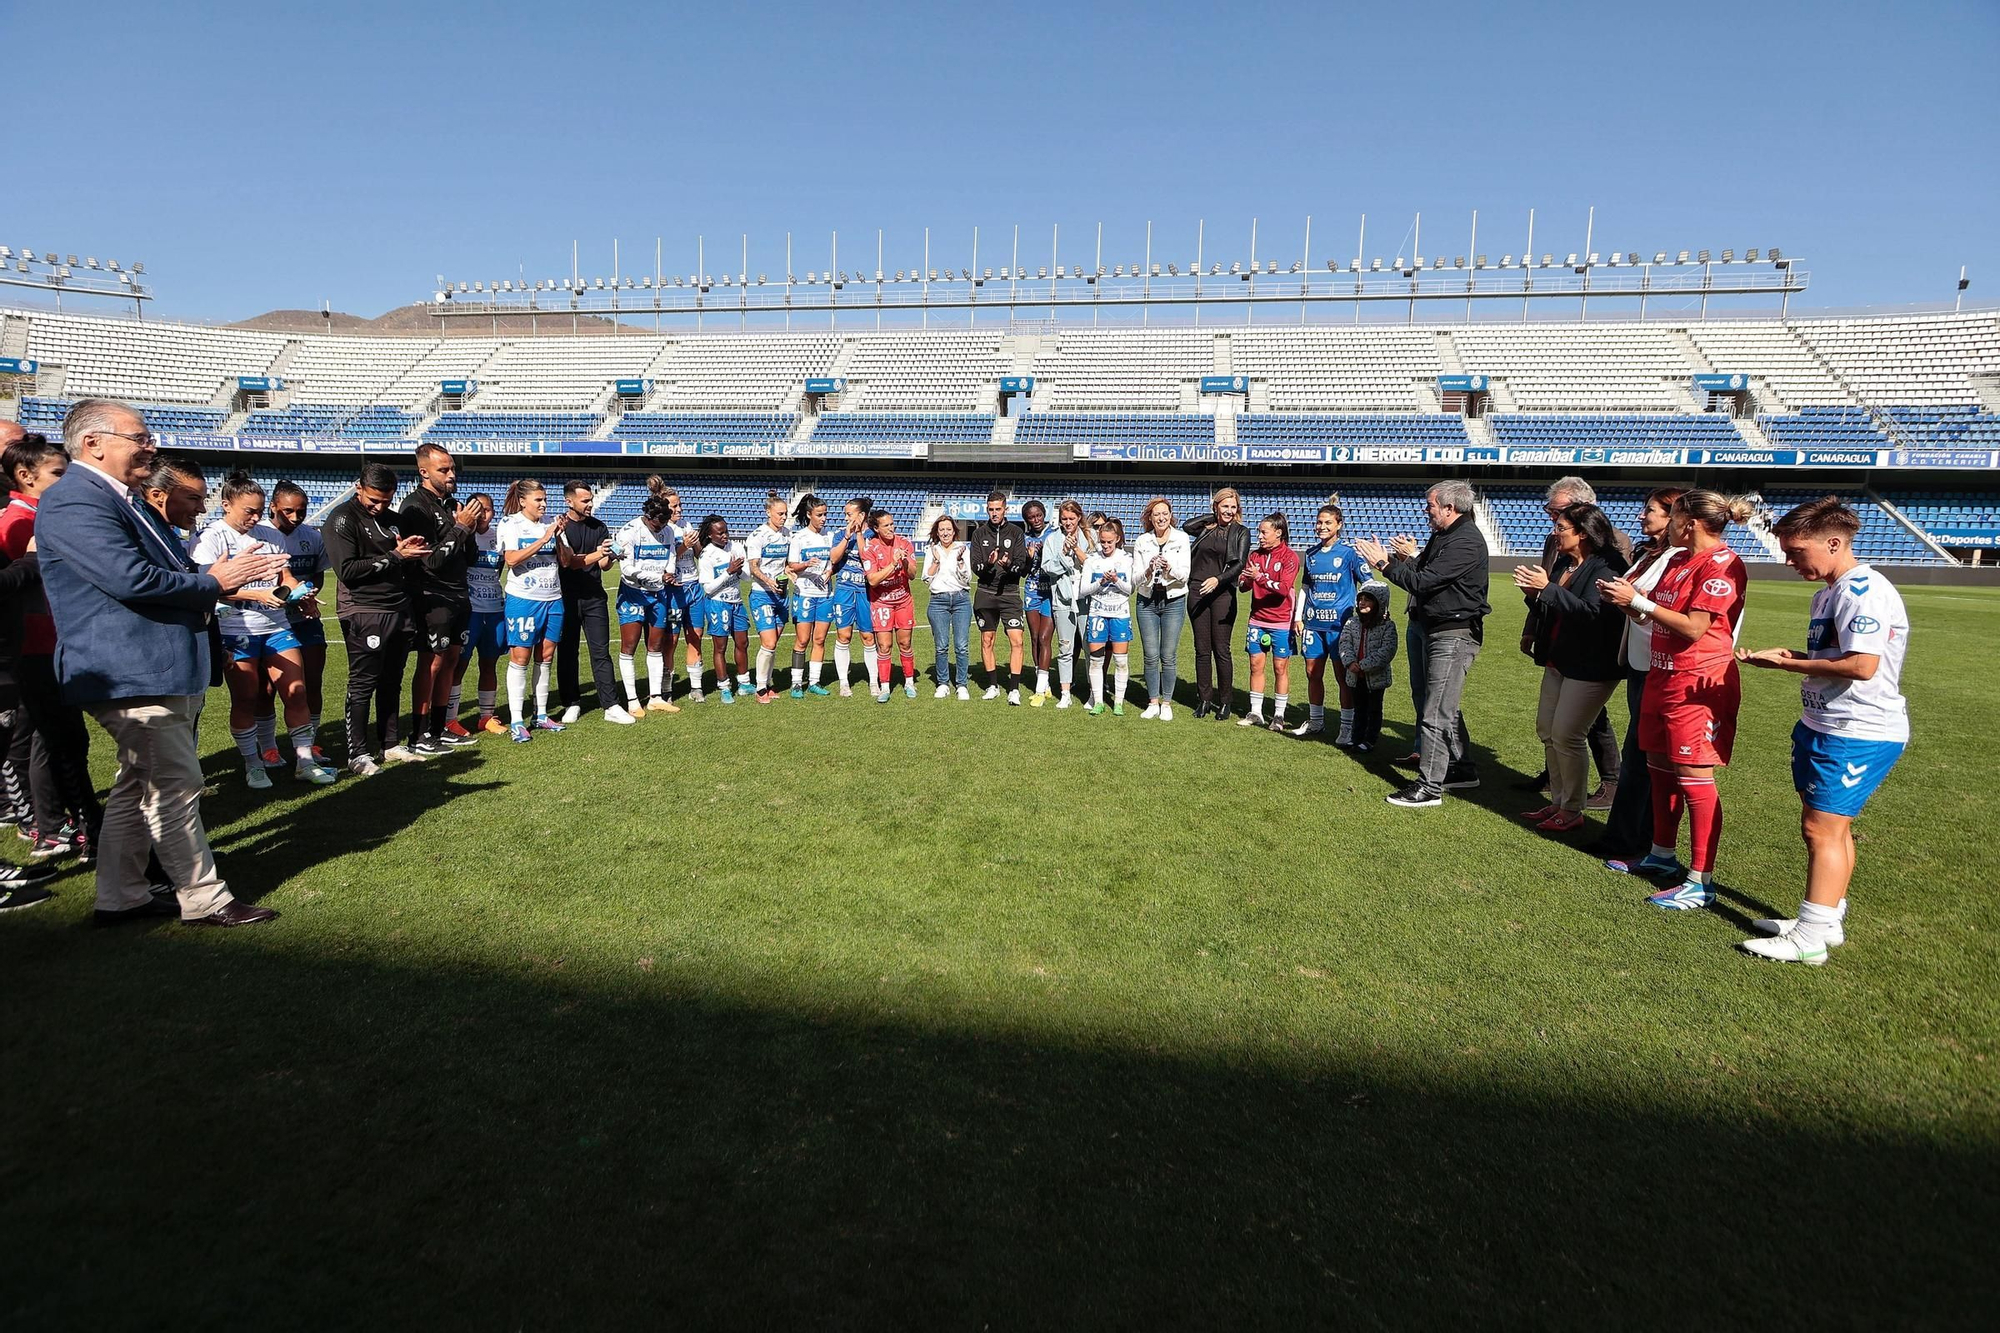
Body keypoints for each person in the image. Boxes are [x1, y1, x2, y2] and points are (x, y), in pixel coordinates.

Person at [36, 400, 286, 927]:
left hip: (149, 666)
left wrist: (215, 577)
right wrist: (216, 582)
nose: (152, 446)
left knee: (138, 783)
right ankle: (204, 897)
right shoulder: (74, 501)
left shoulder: (117, 499)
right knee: (174, 783)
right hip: (128, 668)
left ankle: (121, 895)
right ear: (93, 443)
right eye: (139, 437)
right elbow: (131, 580)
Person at [1737, 498, 1911, 965]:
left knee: (1821, 830)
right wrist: (1792, 655)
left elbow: (1861, 665)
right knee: (1833, 828)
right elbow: (1839, 655)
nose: (1790, 561)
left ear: (1834, 543)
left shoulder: (1863, 591)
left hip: (1858, 728)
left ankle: (1810, 937)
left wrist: (1788, 665)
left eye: (1797, 552)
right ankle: (1826, 919)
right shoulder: (1829, 592)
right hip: (1827, 722)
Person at [1597, 490, 1753, 909]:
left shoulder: (1723, 564)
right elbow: (1655, 614)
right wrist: (1629, 606)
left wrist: (1639, 602)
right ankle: (1661, 856)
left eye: (1676, 518)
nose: (1669, 525)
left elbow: (1695, 628)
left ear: (1690, 522)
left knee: (1694, 778)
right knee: (1660, 770)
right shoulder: (1680, 560)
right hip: (1661, 675)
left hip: (1697, 683)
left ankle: (1701, 880)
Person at [189, 472, 339, 790]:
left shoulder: (270, 536)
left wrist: (301, 594)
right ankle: (254, 765)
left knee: (296, 693)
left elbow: (285, 577)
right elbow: (207, 589)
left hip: (276, 626)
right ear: (226, 504)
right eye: (249, 511)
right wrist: (255, 595)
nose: (256, 518)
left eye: (259, 511)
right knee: (245, 699)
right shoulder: (211, 538)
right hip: (235, 630)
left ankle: (305, 763)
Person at [0, 433, 110, 857]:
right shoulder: (20, 520)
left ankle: (63, 822)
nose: (65, 482)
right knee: (53, 740)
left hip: (50, 640)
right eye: (58, 474)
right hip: (35, 645)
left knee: (59, 739)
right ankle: (55, 824)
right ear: (26, 476)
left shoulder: (36, 512)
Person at [1356, 480, 1490, 808]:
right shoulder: (1445, 535)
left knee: (1435, 711)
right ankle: (1461, 768)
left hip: (1453, 633)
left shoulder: (1465, 541)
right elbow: (1422, 569)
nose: (1425, 510)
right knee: (1443, 706)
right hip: (1438, 629)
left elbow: (1422, 581)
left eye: (1430, 505)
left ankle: (1429, 787)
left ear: (1449, 508)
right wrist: (1397, 558)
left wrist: (1385, 564)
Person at [1511, 502, 1630, 833]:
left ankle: (1573, 808)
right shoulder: (1565, 562)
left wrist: (1547, 589)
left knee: (1567, 734)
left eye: (1561, 528)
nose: (1555, 533)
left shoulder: (1607, 565)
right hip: (1558, 659)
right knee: (1547, 731)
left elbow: (1595, 614)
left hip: (1591, 664)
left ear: (1583, 532)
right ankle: (1558, 803)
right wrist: (1533, 595)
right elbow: (1555, 608)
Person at [1589, 487, 1685, 862]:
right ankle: (1627, 836)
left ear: (1673, 516)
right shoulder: (1649, 553)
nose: (1642, 516)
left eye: (1650, 510)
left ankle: (1636, 840)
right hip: (1640, 658)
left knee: (1646, 757)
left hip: (1659, 662)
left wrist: (1631, 600)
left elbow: (1659, 607)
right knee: (1640, 755)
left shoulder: (1679, 558)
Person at [324, 460, 433, 773]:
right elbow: (347, 571)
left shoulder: (394, 520)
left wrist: (412, 552)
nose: (379, 506)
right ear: (359, 488)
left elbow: (405, 563)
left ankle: (389, 745)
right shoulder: (342, 519)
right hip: (364, 610)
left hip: (399, 609)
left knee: (392, 681)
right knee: (363, 683)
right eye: (374, 500)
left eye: (386, 500)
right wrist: (396, 556)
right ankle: (357, 754)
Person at [399, 443, 485, 753]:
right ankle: (419, 735)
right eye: (443, 470)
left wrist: (470, 529)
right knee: (432, 663)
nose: (451, 475)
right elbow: (431, 560)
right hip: (432, 595)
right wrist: (461, 528)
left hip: (459, 593)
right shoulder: (415, 507)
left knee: (451, 660)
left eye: (452, 469)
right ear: (424, 471)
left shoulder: (452, 505)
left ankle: (439, 728)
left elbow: (469, 554)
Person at [496, 478, 574, 741]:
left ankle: (540, 715)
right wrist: (544, 538)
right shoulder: (511, 523)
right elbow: (511, 559)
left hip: (552, 598)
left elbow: (565, 561)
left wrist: (559, 537)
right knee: (520, 657)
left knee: (546, 656)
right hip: (523, 599)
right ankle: (517, 719)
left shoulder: (550, 524)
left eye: (544, 499)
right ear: (522, 501)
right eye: (538, 499)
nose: (543, 504)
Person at [266, 480, 334, 752]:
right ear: (273, 507)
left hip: (305, 618)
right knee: (267, 688)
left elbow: (317, 572)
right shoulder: (261, 536)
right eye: (288, 511)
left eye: (301, 511)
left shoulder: (312, 537)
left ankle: (312, 741)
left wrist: (309, 596)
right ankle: (268, 745)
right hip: (269, 619)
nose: (295, 517)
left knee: (312, 680)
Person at [555, 481, 629, 724]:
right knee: (567, 652)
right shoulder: (561, 527)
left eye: (591, 499)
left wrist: (610, 555)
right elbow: (571, 562)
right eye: (585, 500)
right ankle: (571, 703)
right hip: (566, 597)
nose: (590, 504)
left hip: (594, 597)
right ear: (569, 501)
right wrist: (599, 553)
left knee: (601, 652)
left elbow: (603, 566)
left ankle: (611, 705)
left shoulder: (599, 526)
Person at [1293, 503, 1363, 741]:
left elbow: (1369, 584)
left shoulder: (1348, 553)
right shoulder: (1311, 554)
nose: (1322, 527)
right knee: (1312, 673)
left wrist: (1365, 615)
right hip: (1313, 625)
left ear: (1338, 525)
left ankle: (1346, 727)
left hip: (1339, 627)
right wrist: (1297, 617)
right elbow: (1304, 588)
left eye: (1327, 523)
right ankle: (1316, 722)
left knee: (1342, 677)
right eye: (1319, 522)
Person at [610, 495, 683, 716]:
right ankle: (632, 700)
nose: (660, 528)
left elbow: (671, 556)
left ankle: (655, 698)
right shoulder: (629, 531)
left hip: (658, 594)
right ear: (647, 516)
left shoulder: (668, 530)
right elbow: (626, 569)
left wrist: (668, 574)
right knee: (629, 646)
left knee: (656, 645)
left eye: (663, 523)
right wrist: (657, 578)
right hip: (633, 593)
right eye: (656, 523)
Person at [1185, 487, 1251, 720]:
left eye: (1233, 507)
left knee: (1221, 649)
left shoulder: (1241, 532)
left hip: (1222, 593)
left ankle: (1225, 702)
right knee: (1201, 650)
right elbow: (1187, 526)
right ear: (1216, 506)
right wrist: (1213, 517)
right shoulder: (1206, 527)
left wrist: (1218, 580)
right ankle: (1204, 700)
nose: (1229, 511)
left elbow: (1240, 564)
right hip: (1197, 590)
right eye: (1225, 506)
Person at [448, 493, 510, 735]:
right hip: (469, 611)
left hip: (494, 610)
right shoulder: (463, 536)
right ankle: (450, 718)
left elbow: (499, 570)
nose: (484, 514)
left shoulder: (499, 538)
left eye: (488, 509)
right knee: (458, 665)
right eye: (478, 509)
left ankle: (486, 717)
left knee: (489, 664)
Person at [1237, 513, 1300, 732]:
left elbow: (1283, 589)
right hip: (1257, 619)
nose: (1260, 536)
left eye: (1264, 532)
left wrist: (1259, 578)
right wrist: (1243, 580)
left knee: (1280, 667)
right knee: (1255, 665)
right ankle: (1256, 712)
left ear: (1278, 532)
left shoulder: (1290, 557)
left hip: (1281, 621)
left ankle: (1279, 715)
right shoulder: (1255, 556)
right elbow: (1245, 586)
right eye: (1259, 532)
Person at [1131, 497, 1190, 722]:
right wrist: (1148, 570)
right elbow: (1135, 578)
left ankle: (1167, 702)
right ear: (1150, 517)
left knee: (1168, 655)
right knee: (1150, 655)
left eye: (1165, 513)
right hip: (1147, 601)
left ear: (1170, 515)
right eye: (1157, 514)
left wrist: (1169, 567)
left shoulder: (1181, 539)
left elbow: (1185, 575)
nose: (1161, 517)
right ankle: (1152, 702)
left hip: (1173, 601)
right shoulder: (1142, 541)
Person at [969, 490, 1029, 703]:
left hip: (1010, 593)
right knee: (987, 640)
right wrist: (989, 563)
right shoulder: (978, 534)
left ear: (1006, 509)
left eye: (998, 509)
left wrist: (1007, 565)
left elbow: (1021, 565)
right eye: (991, 509)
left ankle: (1014, 689)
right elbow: (975, 566)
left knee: (1017, 640)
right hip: (985, 593)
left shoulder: (1016, 532)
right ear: (987, 509)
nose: (994, 513)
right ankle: (993, 685)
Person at [1079, 516, 1135, 716]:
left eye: (1109, 542)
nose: (1105, 546)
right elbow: (1084, 590)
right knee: (1096, 661)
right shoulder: (1092, 560)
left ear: (1117, 539)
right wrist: (1101, 582)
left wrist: (1116, 580)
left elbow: (1129, 590)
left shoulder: (1126, 559)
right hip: (1097, 614)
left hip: (1120, 614)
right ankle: (1098, 701)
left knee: (1121, 661)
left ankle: (1118, 702)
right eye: (1102, 542)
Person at [863, 509, 919, 702]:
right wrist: (892, 565)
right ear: (876, 528)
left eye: (892, 524)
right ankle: (885, 687)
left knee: (905, 643)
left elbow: (912, 574)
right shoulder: (870, 548)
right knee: (884, 646)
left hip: (903, 601)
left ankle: (909, 683)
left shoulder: (904, 543)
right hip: (881, 603)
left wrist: (903, 561)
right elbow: (872, 580)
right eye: (886, 525)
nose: (891, 528)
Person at [654, 484, 703, 703]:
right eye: (675, 506)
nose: (680, 509)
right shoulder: (662, 529)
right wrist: (684, 545)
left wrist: (698, 544)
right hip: (674, 593)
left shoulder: (687, 525)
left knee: (696, 636)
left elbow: (699, 554)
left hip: (693, 588)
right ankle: (667, 689)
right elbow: (666, 558)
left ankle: (696, 686)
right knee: (671, 640)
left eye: (680, 504)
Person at [1039, 500, 1090, 709]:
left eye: (1071, 518)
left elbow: (1094, 564)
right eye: (1064, 519)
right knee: (1065, 647)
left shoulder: (1090, 537)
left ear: (1079, 517)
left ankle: (1093, 693)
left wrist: (1076, 549)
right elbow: (1047, 567)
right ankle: (1065, 693)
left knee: (1090, 647)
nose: (1068, 523)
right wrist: (1063, 554)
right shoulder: (1052, 539)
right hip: (1062, 600)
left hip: (1087, 599)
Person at [744, 491, 793, 704]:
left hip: (782, 595)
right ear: (768, 513)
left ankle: (770, 682)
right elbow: (753, 567)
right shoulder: (758, 536)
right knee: (769, 641)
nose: (783, 517)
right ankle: (760, 687)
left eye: (786, 514)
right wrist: (768, 581)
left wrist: (790, 572)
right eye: (780, 514)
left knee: (773, 644)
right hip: (762, 594)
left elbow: (786, 563)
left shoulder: (787, 534)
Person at [784, 493, 835, 698]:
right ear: (809, 515)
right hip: (805, 593)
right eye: (819, 515)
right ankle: (796, 683)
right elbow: (791, 566)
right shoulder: (799, 538)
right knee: (803, 640)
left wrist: (829, 571)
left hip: (825, 595)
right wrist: (806, 564)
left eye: (825, 514)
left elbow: (833, 563)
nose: (823, 519)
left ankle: (814, 681)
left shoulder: (829, 537)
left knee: (820, 639)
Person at [695, 515, 750, 701]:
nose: (725, 536)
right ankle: (724, 685)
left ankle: (744, 682)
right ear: (710, 535)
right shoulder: (706, 555)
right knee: (720, 646)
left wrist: (740, 570)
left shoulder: (736, 547)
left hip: (736, 602)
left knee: (742, 642)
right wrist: (728, 572)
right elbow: (708, 588)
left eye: (726, 531)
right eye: (720, 533)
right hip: (717, 603)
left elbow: (747, 577)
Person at [1338, 581, 1397, 752]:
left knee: (1374, 709)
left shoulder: (1387, 626)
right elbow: (1344, 643)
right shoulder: (1352, 623)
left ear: (1380, 603)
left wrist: (1363, 665)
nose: (1362, 602)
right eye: (1360, 599)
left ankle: (1370, 739)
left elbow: (1387, 651)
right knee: (1359, 709)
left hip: (1375, 677)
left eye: (1368, 600)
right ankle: (1356, 738)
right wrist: (1350, 662)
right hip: (1355, 675)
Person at [827, 496, 876, 698]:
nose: (846, 517)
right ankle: (844, 682)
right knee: (843, 636)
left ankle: (874, 681)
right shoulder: (840, 535)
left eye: (849, 514)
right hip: (845, 590)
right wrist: (847, 537)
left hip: (866, 591)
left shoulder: (874, 536)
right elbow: (833, 558)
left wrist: (860, 535)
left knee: (868, 636)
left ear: (862, 515)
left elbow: (867, 557)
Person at [922, 514, 974, 699]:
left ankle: (961, 685)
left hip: (961, 600)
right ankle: (942, 683)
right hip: (938, 601)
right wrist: (936, 561)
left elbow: (968, 579)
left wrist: (960, 562)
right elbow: (926, 579)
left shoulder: (962, 549)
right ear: (937, 531)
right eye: (942, 529)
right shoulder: (932, 550)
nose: (945, 533)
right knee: (941, 646)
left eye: (948, 530)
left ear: (954, 532)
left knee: (961, 646)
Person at [1019, 500, 1057, 704]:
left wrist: (1043, 553)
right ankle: (1045, 682)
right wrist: (1028, 558)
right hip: (1032, 590)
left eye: (1038, 515)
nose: (1035, 520)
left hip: (1050, 591)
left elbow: (1058, 563)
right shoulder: (1024, 539)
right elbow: (1024, 573)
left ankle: (1040, 690)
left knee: (1044, 638)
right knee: (1034, 637)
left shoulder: (1054, 535)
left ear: (1044, 514)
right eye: (1031, 517)